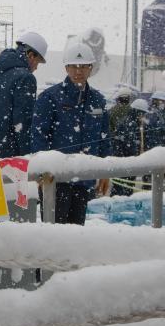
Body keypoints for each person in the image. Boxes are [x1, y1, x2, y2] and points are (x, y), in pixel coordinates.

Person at [30, 43, 111, 225]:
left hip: (83, 178)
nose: (78, 71)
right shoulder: (50, 97)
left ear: (91, 68)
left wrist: (106, 170)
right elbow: (38, 135)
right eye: (73, 66)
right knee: (54, 232)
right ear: (66, 67)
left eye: (83, 66)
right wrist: (42, 169)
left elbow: (104, 137)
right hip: (55, 178)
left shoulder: (98, 100)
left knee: (76, 232)